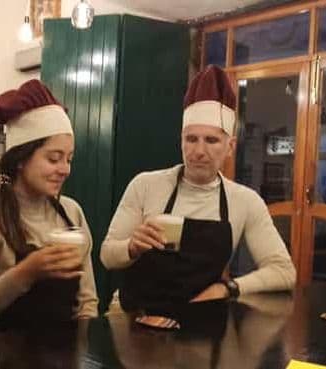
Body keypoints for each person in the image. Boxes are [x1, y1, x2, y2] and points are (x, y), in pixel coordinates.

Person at [100, 66, 296, 312]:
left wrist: (229, 288)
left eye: (211, 140)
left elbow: (284, 271)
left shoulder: (245, 201)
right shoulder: (146, 185)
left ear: (230, 146)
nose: (199, 151)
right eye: (191, 139)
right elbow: (107, 255)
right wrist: (131, 246)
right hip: (134, 317)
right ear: (181, 141)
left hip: (202, 323)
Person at [0, 79, 98, 334]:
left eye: (69, 159)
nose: (65, 169)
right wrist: (25, 273)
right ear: (20, 159)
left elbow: (86, 302)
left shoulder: (72, 213)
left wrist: (83, 352)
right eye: (54, 158)